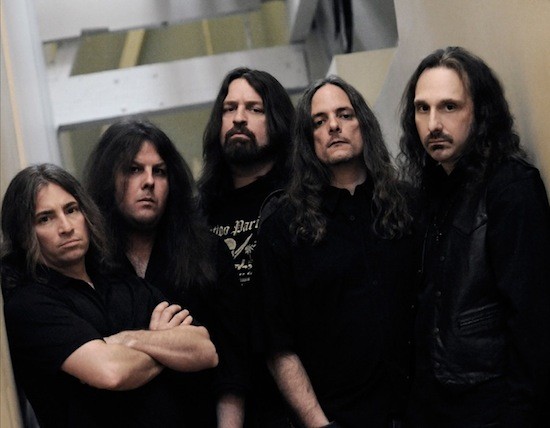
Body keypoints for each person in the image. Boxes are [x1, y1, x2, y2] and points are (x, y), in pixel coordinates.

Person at [398, 46, 550, 427]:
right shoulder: (431, 192)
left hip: (491, 406)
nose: (433, 123)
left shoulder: (510, 188)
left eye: (449, 106)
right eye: (422, 108)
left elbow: (532, 322)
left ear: (480, 112)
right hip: (436, 406)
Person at [1, 163, 219, 428]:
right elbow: (111, 373)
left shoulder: (121, 281)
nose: (66, 227)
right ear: (24, 234)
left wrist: (127, 340)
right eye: (45, 218)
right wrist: (166, 347)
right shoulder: (29, 304)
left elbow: (204, 350)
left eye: (71, 210)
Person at [256, 75, 418, 428]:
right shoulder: (282, 226)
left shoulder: (409, 203)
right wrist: (319, 424)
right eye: (319, 121)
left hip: (424, 411)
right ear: (308, 139)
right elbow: (278, 346)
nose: (333, 126)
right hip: (341, 418)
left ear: (363, 124)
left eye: (344, 115)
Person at [84, 119, 248, 427]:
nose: (149, 182)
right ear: (109, 178)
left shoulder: (207, 252)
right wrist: (169, 344)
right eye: (134, 169)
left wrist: (129, 340)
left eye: (159, 171)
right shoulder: (90, 263)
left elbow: (231, 366)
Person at [198, 67, 296, 427]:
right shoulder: (196, 215)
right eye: (230, 108)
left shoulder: (301, 201)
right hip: (224, 398)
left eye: (255, 109)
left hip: (300, 392)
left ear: (277, 121)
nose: (239, 118)